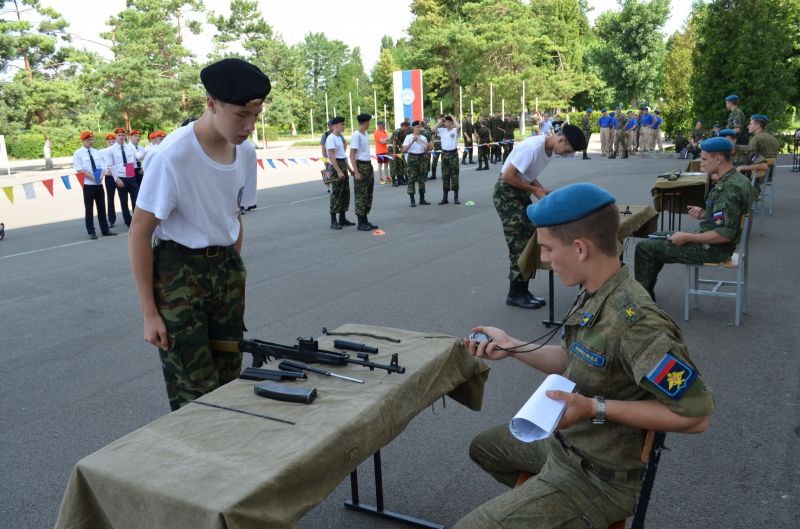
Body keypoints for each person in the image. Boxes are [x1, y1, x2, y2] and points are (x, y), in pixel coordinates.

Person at [455, 183, 715, 529]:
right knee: (484, 448)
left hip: (598, 477)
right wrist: (512, 346)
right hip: (567, 445)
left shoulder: (637, 324)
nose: (543, 259)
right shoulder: (596, 290)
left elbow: (697, 416)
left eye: (547, 249)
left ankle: (560, 508)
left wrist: (594, 408)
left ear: (580, 249)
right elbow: (572, 358)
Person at [129, 57, 268, 411]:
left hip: (226, 269)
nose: (249, 126)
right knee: (194, 391)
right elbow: (139, 233)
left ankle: (228, 446)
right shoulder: (172, 156)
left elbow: (234, 213)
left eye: (256, 115)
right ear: (211, 104)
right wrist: (150, 312)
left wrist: (231, 268)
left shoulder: (245, 152)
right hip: (180, 273)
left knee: (230, 376)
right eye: (241, 115)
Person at [634, 137, 753, 300]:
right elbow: (729, 217)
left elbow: (723, 235)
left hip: (712, 249)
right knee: (656, 237)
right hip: (716, 245)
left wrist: (686, 237)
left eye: (704, 159)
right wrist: (706, 214)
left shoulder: (728, 189)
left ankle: (640, 299)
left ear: (718, 159)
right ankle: (646, 293)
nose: (701, 163)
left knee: (644, 248)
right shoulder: (738, 180)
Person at [494, 124, 586, 309]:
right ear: (561, 139)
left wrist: (541, 190)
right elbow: (507, 176)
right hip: (507, 194)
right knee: (519, 243)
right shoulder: (533, 148)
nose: (566, 155)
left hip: (518, 192)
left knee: (529, 238)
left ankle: (522, 290)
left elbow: (527, 174)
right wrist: (534, 190)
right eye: (568, 150)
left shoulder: (547, 149)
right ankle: (515, 294)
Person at [72, 131, 117, 240]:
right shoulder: (78, 153)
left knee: (102, 208)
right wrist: (93, 178)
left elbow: (103, 166)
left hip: (99, 184)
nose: (91, 142)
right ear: (83, 140)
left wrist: (100, 176)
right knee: (89, 209)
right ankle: (91, 231)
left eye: (92, 139)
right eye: (89, 140)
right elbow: (80, 170)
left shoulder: (96, 152)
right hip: (88, 185)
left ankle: (105, 229)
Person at [350, 113, 379, 231]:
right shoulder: (356, 135)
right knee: (361, 195)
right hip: (360, 166)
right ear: (365, 122)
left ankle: (365, 220)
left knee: (368, 193)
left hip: (368, 165)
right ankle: (360, 223)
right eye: (368, 122)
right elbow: (352, 155)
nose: (369, 124)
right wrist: (356, 172)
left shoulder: (365, 134)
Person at [107, 127, 139, 229]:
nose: (121, 137)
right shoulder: (111, 149)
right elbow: (110, 165)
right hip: (121, 177)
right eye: (119, 135)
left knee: (136, 199)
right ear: (116, 136)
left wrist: (149, 152)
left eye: (123, 135)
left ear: (125, 136)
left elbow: (138, 156)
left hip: (131, 175)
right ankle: (128, 222)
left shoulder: (130, 147)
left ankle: (137, 220)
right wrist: (117, 179)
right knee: (124, 201)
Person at [326, 116, 354, 229]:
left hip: (342, 165)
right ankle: (333, 221)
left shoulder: (339, 138)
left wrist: (350, 169)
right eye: (342, 124)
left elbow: (343, 156)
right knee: (336, 194)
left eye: (343, 124)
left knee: (345, 193)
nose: (344, 126)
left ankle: (342, 219)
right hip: (336, 167)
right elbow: (332, 156)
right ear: (335, 125)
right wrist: (338, 171)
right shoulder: (331, 138)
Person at [402, 119, 432, 206]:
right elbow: (404, 150)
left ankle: (422, 199)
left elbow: (426, 150)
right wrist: (412, 141)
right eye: (417, 127)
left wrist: (428, 148)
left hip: (421, 157)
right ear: (413, 127)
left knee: (422, 179)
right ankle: (412, 200)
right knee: (411, 179)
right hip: (412, 158)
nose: (419, 129)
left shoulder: (423, 138)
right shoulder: (408, 137)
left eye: (420, 127)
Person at [435, 115, 461, 204]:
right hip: (444, 154)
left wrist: (453, 118)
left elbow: (459, 127)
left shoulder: (455, 130)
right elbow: (433, 130)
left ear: (452, 123)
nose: (447, 123)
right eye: (445, 122)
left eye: (448, 122)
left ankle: (456, 197)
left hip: (453, 154)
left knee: (454, 176)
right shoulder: (442, 130)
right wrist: (440, 122)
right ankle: (445, 198)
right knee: (445, 176)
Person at [100, 132, 119, 227]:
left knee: (124, 198)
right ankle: (111, 220)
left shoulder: (119, 150)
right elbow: (100, 163)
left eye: (113, 141)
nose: (111, 143)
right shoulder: (102, 152)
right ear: (106, 142)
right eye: (109, 141)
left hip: (120, 176)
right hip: (109, 177)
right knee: (110, 198)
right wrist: (104, 171)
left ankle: (128, 218)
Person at [390, 121, 409, 187]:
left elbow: (402, 143)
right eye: (407, 127)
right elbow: (394, 142)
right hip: (392, 148)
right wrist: (394, 152)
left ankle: (400, 180)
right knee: (393, 165)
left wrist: (403, 150)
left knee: (400, 164)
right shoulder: (397, 131)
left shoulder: (404, 133)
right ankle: (393, 181)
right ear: (403, 126)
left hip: (398, 148)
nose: (407, 128)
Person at [373, 119, 390, 184]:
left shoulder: (384, 131)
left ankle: (387, 177)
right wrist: (386, 139)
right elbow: (383, 142)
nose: (384, 126)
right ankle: (381, 178)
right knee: (380, 165)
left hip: (386, 150)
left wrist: (385, 140)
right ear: (379, 125)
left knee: (386, 165)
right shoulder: (376, 133)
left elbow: (388, 140)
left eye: (384, 125)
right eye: (383, 125)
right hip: (379, 151)